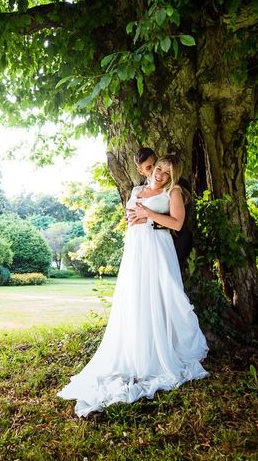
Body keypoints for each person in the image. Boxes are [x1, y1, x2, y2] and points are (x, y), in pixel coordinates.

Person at [57, 155, 209, 417]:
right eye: (159, 168)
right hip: (137, 249)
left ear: (173, 175)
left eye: (167, 171)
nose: (161, 174)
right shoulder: (137, 190)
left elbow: (176, 223)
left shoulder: (173, 192)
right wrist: (136, 218)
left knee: (165, 296)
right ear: (153, 167)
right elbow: (131, 217)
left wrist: (148, 215)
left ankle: (166, 348)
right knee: (136, 298)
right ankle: (138, 347)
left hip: (159, 250)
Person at [129, 148, 193, 274]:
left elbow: (180, 222)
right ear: (140, 171)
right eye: (149, 168)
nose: (154, 170)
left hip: (174, 242)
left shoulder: (178, 186)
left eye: (155, 164)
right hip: (140, 244)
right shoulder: (139, 189)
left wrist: (147, 219)